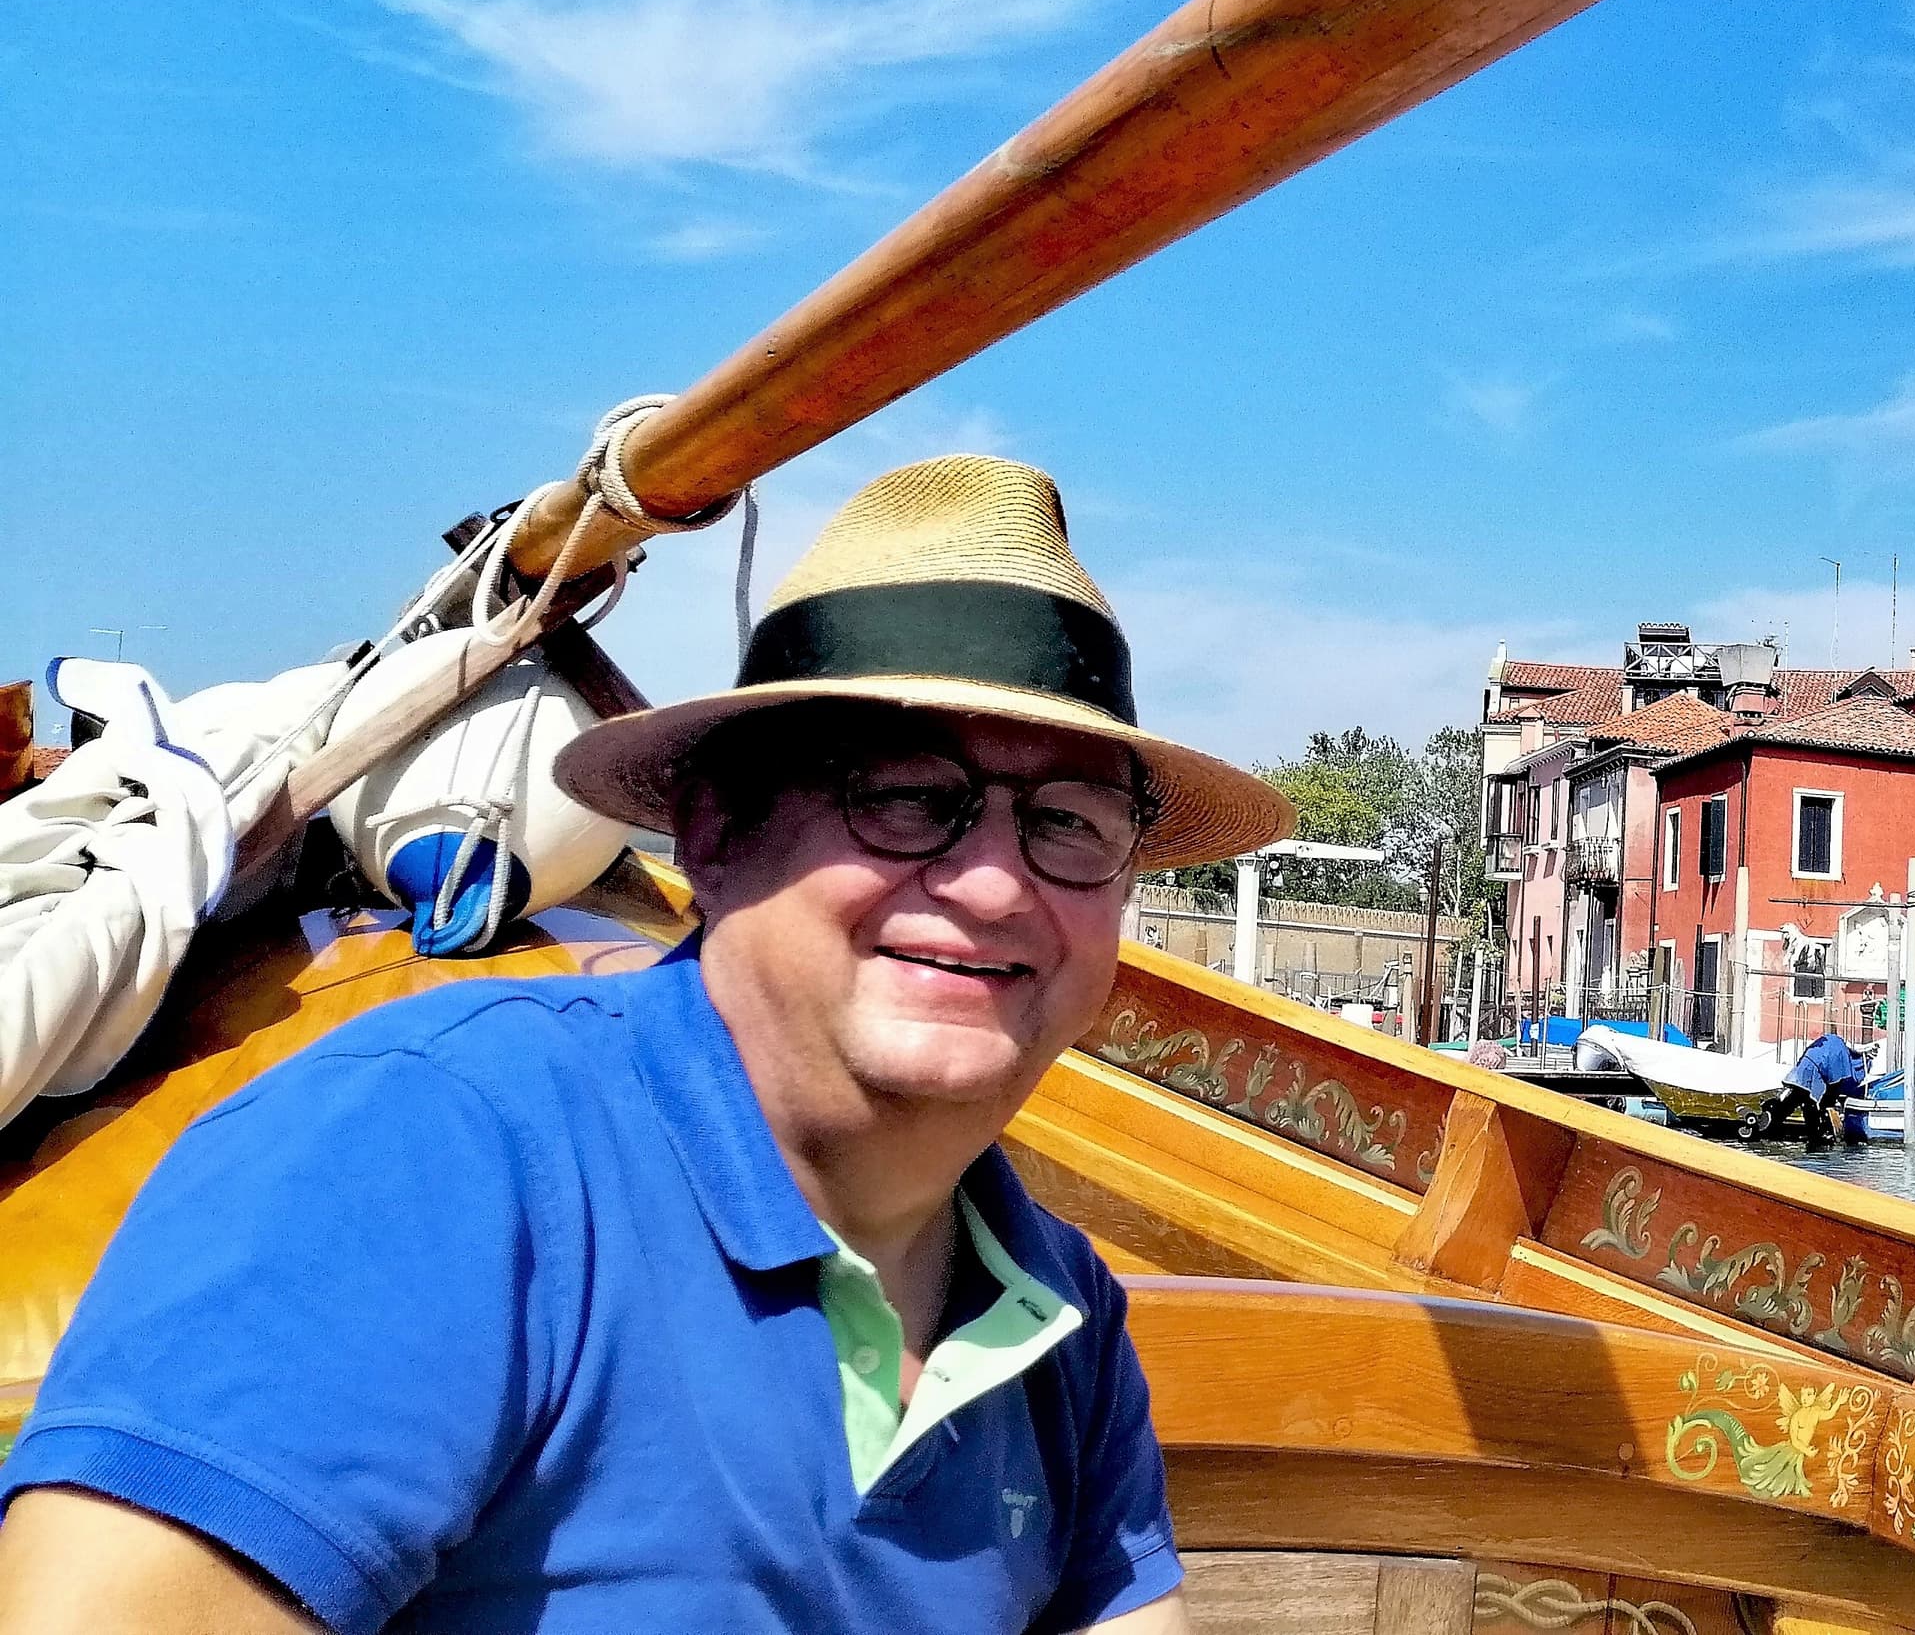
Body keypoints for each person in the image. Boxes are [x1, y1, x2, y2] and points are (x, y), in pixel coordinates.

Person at [0, 456, 1293, 1633]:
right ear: (719, 834)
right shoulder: (438, 1157)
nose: (1000, 886)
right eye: (904, 797)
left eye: (1068, 820)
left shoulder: (1056, 1311)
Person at [1754, 1019, 1870, 1142]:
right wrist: (1829, 1103)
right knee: (1810, 1104)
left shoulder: (1833, 1045)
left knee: (1796, 1098)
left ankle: (1772, 1118)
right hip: (1816, 1072)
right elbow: (1834, 1082)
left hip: (1806, 1065)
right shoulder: (1842, 1057)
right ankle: (1815, 1135)